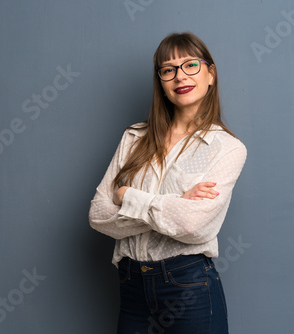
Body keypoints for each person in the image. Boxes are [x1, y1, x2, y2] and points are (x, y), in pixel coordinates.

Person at [89, 32, 247, 333]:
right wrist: (176, 202)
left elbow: (193, 226)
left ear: (210, 74)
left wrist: (127, 196)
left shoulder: (227, 148)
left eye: (191, 65)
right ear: (160, 81)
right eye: (168, 69)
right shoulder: (134, 137)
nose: (180, 76)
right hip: (131, 286)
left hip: (188, 286)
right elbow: (98, 216)